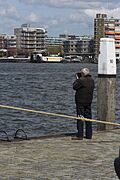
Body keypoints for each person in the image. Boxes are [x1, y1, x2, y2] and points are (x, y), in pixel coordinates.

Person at [72, 68, 95, 140]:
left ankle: (80, 135)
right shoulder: (92, 80)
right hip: (88, 101)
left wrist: (77, 79)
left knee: (80, 118)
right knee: (88, 118)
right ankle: (89, 135)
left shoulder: (81, 80)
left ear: (82, 74)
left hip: (80, 102)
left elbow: (74, 87)